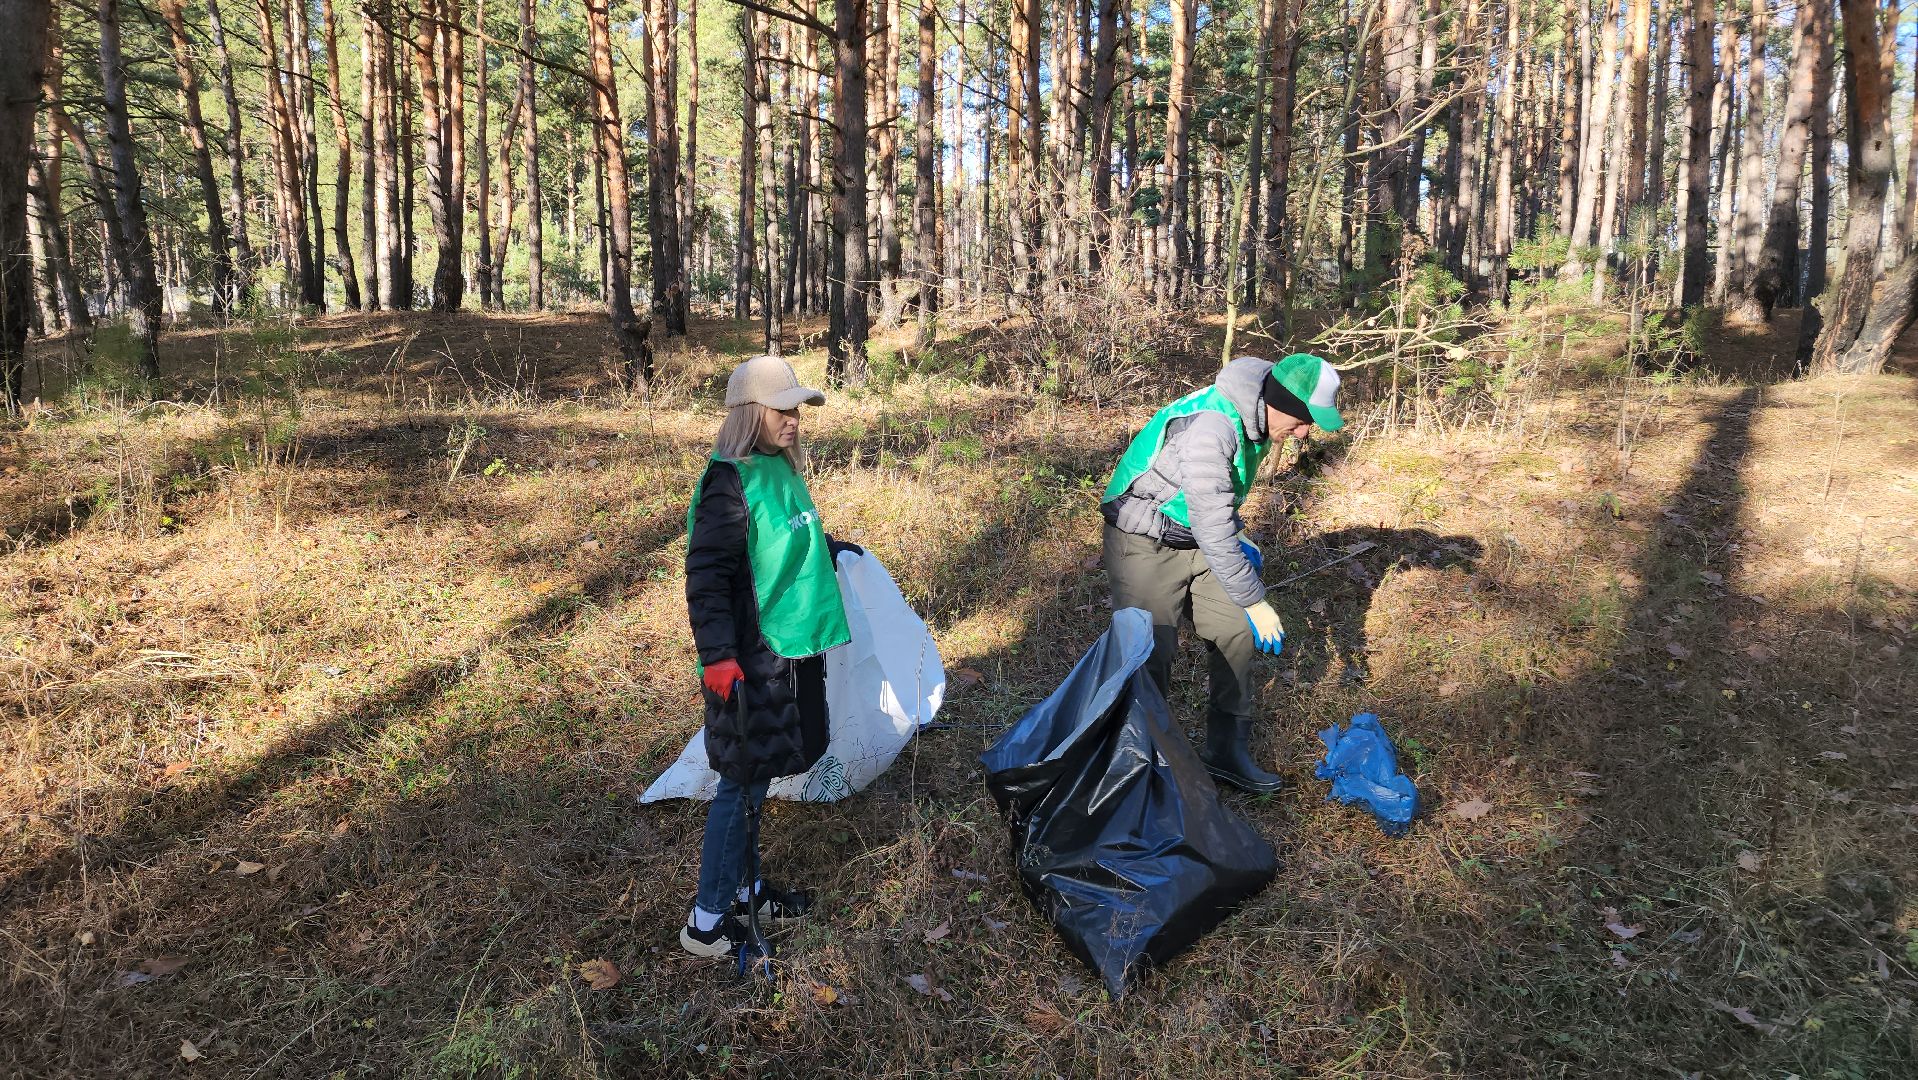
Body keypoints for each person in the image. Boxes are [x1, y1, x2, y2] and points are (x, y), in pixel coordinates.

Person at [680, 355, 860, 959]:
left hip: (787, 648)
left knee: (758, 782)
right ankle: (706, 923)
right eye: (783, 410)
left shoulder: (778, 471)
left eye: (797, 411)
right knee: (740, 784)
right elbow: (708, 575)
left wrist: (829, 549)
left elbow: (780, 539)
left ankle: (745, 889)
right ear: (752, 413)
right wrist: (718, 658)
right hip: (751, 657)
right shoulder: (727, 482)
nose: (794, 421)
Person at [1099, 353, 1345, 794]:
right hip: (1144, 537)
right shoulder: (1213, 428)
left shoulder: (1259, 418)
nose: (1305, 432)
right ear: (1279, 400)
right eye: (1303, 419)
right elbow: (1211, 520)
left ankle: (1225, 753)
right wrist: (1255, 599)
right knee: (1150, 650)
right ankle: (1140, 767)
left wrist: (1238, 533)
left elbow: (1214, 502)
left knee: (1235, 632)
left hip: (1196, 534)